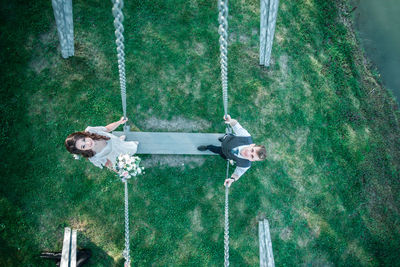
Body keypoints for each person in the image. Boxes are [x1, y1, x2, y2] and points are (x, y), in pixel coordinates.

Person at [197, 115, 266, 187]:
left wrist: (232, 179)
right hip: (228, 140)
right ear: (252, 145)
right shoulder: (245, 136)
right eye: (252, 150)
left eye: (252, 156)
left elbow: (237, 174)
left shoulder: (245, 165)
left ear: (252, 160)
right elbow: (235, 124)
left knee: (217, 150)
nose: (248, 153)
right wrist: (230, 121)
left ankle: (208, 147)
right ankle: (222, 139)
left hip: (226, 154)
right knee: (224, 138)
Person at [65, 117, 138, 171]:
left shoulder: (91, 131)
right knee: (122, 157)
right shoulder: (93, 156)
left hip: (115, 142)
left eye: (84, 139)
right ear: (82, 151)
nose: (88, 143)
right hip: (113, 155)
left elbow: (107, 129)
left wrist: (119, 122)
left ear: (84, 135)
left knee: (123, 146)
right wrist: (118, 171)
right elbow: (107, 163)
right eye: (83, 146)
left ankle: (121, 141)